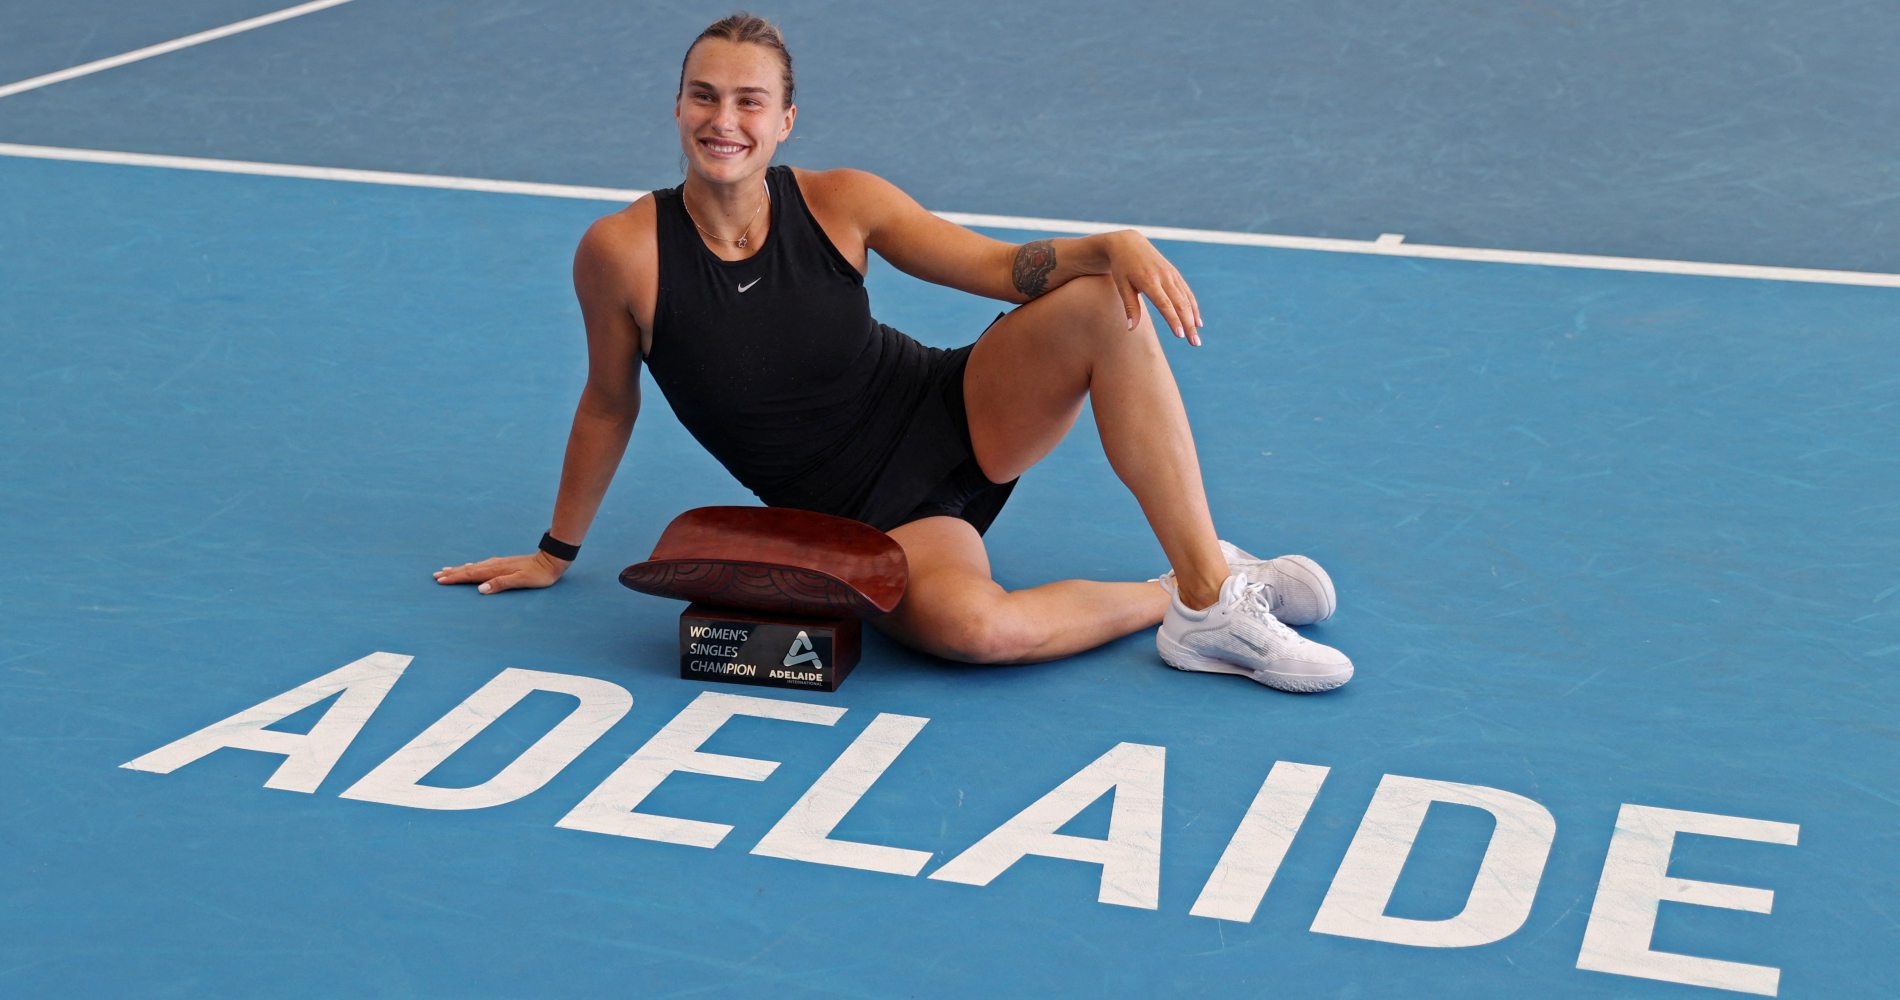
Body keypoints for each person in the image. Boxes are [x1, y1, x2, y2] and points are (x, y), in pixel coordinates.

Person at [434, 13, 1352, 692]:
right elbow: (607, 400)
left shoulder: (842, 201)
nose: (726, 120)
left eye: (751, 100)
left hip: (960, 412)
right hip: (874, 528)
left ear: (785, 120)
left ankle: (1209, 586)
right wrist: (555, 551)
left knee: (1102, 303)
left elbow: (1001, 268)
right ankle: (1186, 597)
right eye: (705, 95)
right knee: (974, 632)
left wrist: (1105, 245)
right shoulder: (622, 253)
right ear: (678, 106)